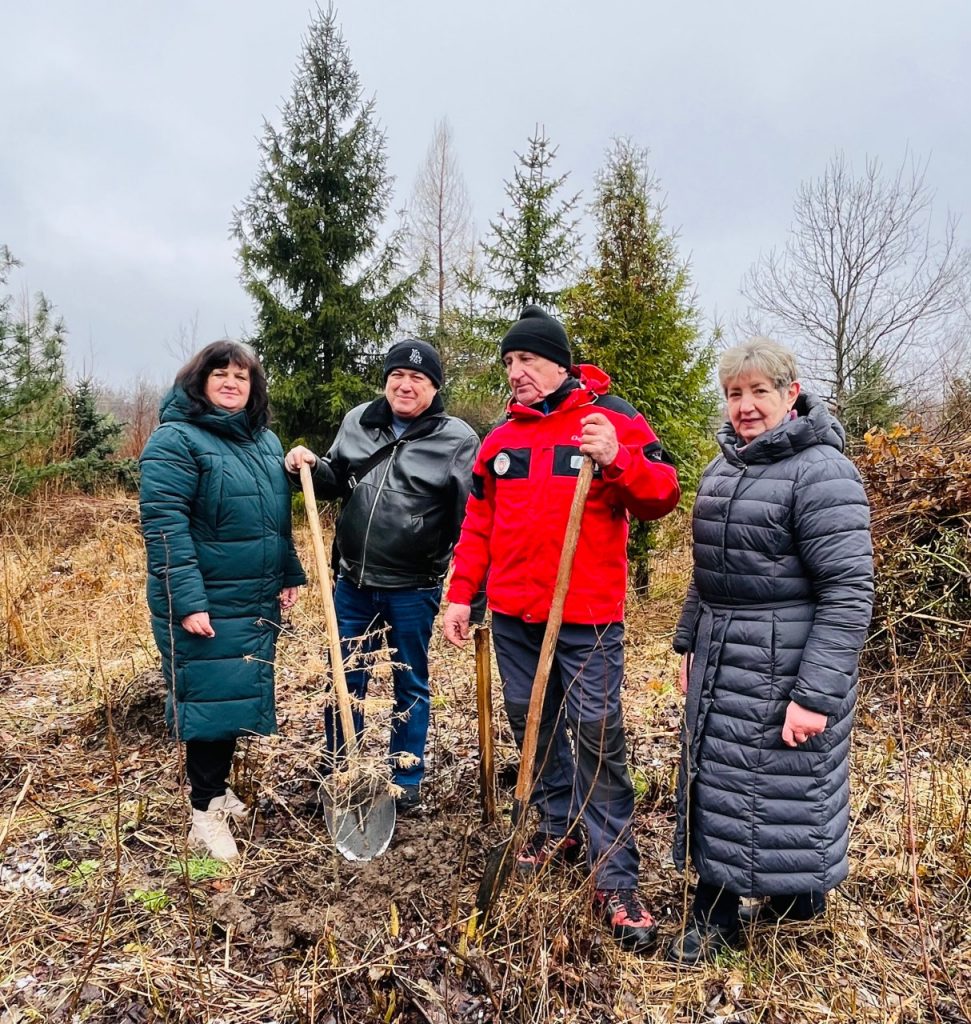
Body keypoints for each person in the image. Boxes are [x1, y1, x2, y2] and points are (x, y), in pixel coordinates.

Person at [442, 305, 680, 953]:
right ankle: (557, 824)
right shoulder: (499, 441)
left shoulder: (612, 419)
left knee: (599, 737)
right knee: (532, 721)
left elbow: (662, 493)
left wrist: (615, 461)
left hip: (588, 618)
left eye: (526, 360)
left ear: (558, 363)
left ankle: (616, 876)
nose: (515, 372)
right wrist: (461, 596)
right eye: (509, 362)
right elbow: (478, 527)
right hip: (516, 618)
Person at [667, 337, 874, 965]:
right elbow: (708, 573)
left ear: (791, 392)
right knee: (728, 782)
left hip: (787, 659)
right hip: (725, 650)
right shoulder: (724, 465)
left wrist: (814, 694)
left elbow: (848, 590)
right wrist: (686, 643)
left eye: (759, 391)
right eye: (735, 394)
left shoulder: (822, 470)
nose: (746, 406)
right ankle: (791, 895)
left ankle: (719, 913)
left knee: (773, 782)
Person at [284, 339, 478, 814]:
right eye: (397, 375)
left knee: (408, 682)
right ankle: (338, 770)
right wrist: (306, 467)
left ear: (434, 387)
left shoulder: (457, 440)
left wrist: (468, 588)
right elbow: (335, 479)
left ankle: (404, 779)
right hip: (352, 583)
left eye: (418, 378)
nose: (405, 384)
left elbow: (471, 517)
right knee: (344, 678)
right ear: (387, 379)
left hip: (414, 587)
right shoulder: (358, 421)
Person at [139, 340, 306, 862]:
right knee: (212, 699)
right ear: (200, 381)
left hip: (250, 596)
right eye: (221, 375)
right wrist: (188, 601)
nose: (233, 383)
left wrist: (288, 571)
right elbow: (164, 529)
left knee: (233, 695)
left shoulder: (262, 442)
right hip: (204, 598)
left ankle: (217, 790)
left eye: (243, 376)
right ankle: (203, 812)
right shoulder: (176, 440)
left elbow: (273, 520)